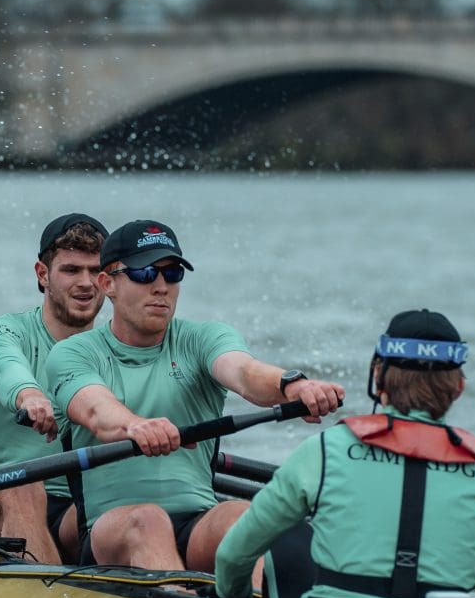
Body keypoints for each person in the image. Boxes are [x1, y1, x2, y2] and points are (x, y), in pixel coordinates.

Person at [45, 219, 344, 572]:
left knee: (242, 515)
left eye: (172, 274)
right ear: (107, 283)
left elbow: (244, 373)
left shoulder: (203, 339)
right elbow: (97, 410)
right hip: (111, 531)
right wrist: (135, 426)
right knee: (149, 520)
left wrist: (293, 385)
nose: (161, 287)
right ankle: (182, 597)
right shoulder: (73, 353)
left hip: (195, 522)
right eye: (144, 273)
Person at [215, 309, 475, 598]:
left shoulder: (325, 450)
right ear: (459, 387)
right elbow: (474, 578)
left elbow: (232, 556)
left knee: (289, 532)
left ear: (377, 376)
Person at [0, 214, 107, 562]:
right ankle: (48, 591)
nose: (86, 283)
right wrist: (29, 394)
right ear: (43, 274)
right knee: (23, 487)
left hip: (74, 510)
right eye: (71, 270)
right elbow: (6, 365)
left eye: (95, 271)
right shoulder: (1, 333)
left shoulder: (116, 347)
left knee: (134, 510)